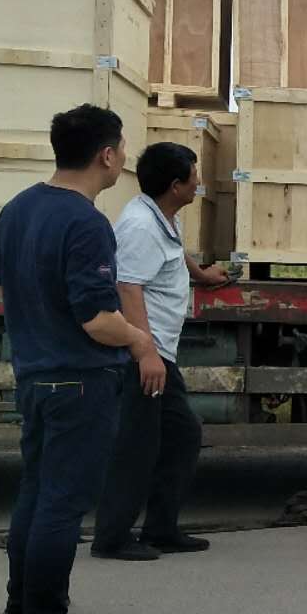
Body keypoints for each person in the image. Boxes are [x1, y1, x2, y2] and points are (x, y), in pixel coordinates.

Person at [0, 105, 164, 614]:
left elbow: (3, 287)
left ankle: (22, 599)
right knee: (63, 503)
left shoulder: (17, 209)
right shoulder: (86, 222)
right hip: (79, 381)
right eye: (122, 149)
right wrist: (140, 340)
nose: (124, 159)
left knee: (36, 489)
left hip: (34, 374)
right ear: (106, 155)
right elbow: (97, 319)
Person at [91, 141, 231, 562]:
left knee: (181, 435)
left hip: (159, 351)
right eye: (194, 176)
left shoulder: (161, 215)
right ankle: (112, 538)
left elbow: (171, 250)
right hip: (143, 355)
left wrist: (200, 274)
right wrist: (145, 354)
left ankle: (161, 529)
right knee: (138, 445)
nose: (198, 183)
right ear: (175, 186)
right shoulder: (140, 226)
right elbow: (127, 288)